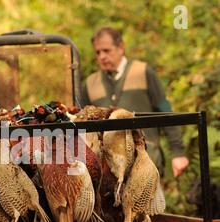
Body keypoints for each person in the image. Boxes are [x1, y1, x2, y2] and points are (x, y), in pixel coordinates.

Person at [81, 26, 189, 178]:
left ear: (120, 48)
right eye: (98, 52)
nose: (102, 56)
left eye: (106, 50)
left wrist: (178, 152)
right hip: (108, 171)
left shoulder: (143, 72)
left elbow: (165, 110)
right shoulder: (90, 83)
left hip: (147, 162)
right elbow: (80, 127)